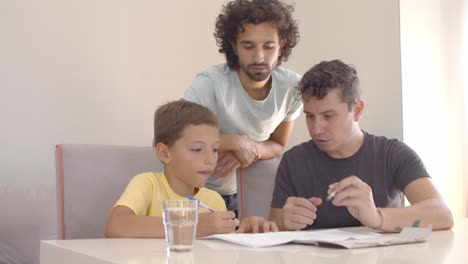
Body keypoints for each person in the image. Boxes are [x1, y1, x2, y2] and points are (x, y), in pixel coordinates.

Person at [269, 60, 454, 232]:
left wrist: (377, 217)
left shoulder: (392, 154)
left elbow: (442, 214)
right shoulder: (293, 161)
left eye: (328, 116)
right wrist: (285, 222)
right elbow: (275, 226)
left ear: (357, 111)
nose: (316, 129)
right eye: (310, 116)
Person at [183, 0, 302, 214]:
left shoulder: (293, 88)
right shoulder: (209, 83)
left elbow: (277, 143)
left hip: (253, 194)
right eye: (248, 46)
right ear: (234, 44)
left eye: (269, 46)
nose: (259, 57)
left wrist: (252, 149)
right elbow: (176, 136)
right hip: (199, 194)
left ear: (282, 44)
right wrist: (235, 142)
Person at [105, 100, 277, 238]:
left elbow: (223, 251)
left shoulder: (214, 200)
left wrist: (244, 234)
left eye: (215, 150)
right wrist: (192, 225)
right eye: (197, 150)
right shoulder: (147, 184)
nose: (211, 159)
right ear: (164, 153)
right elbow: (116, 226)